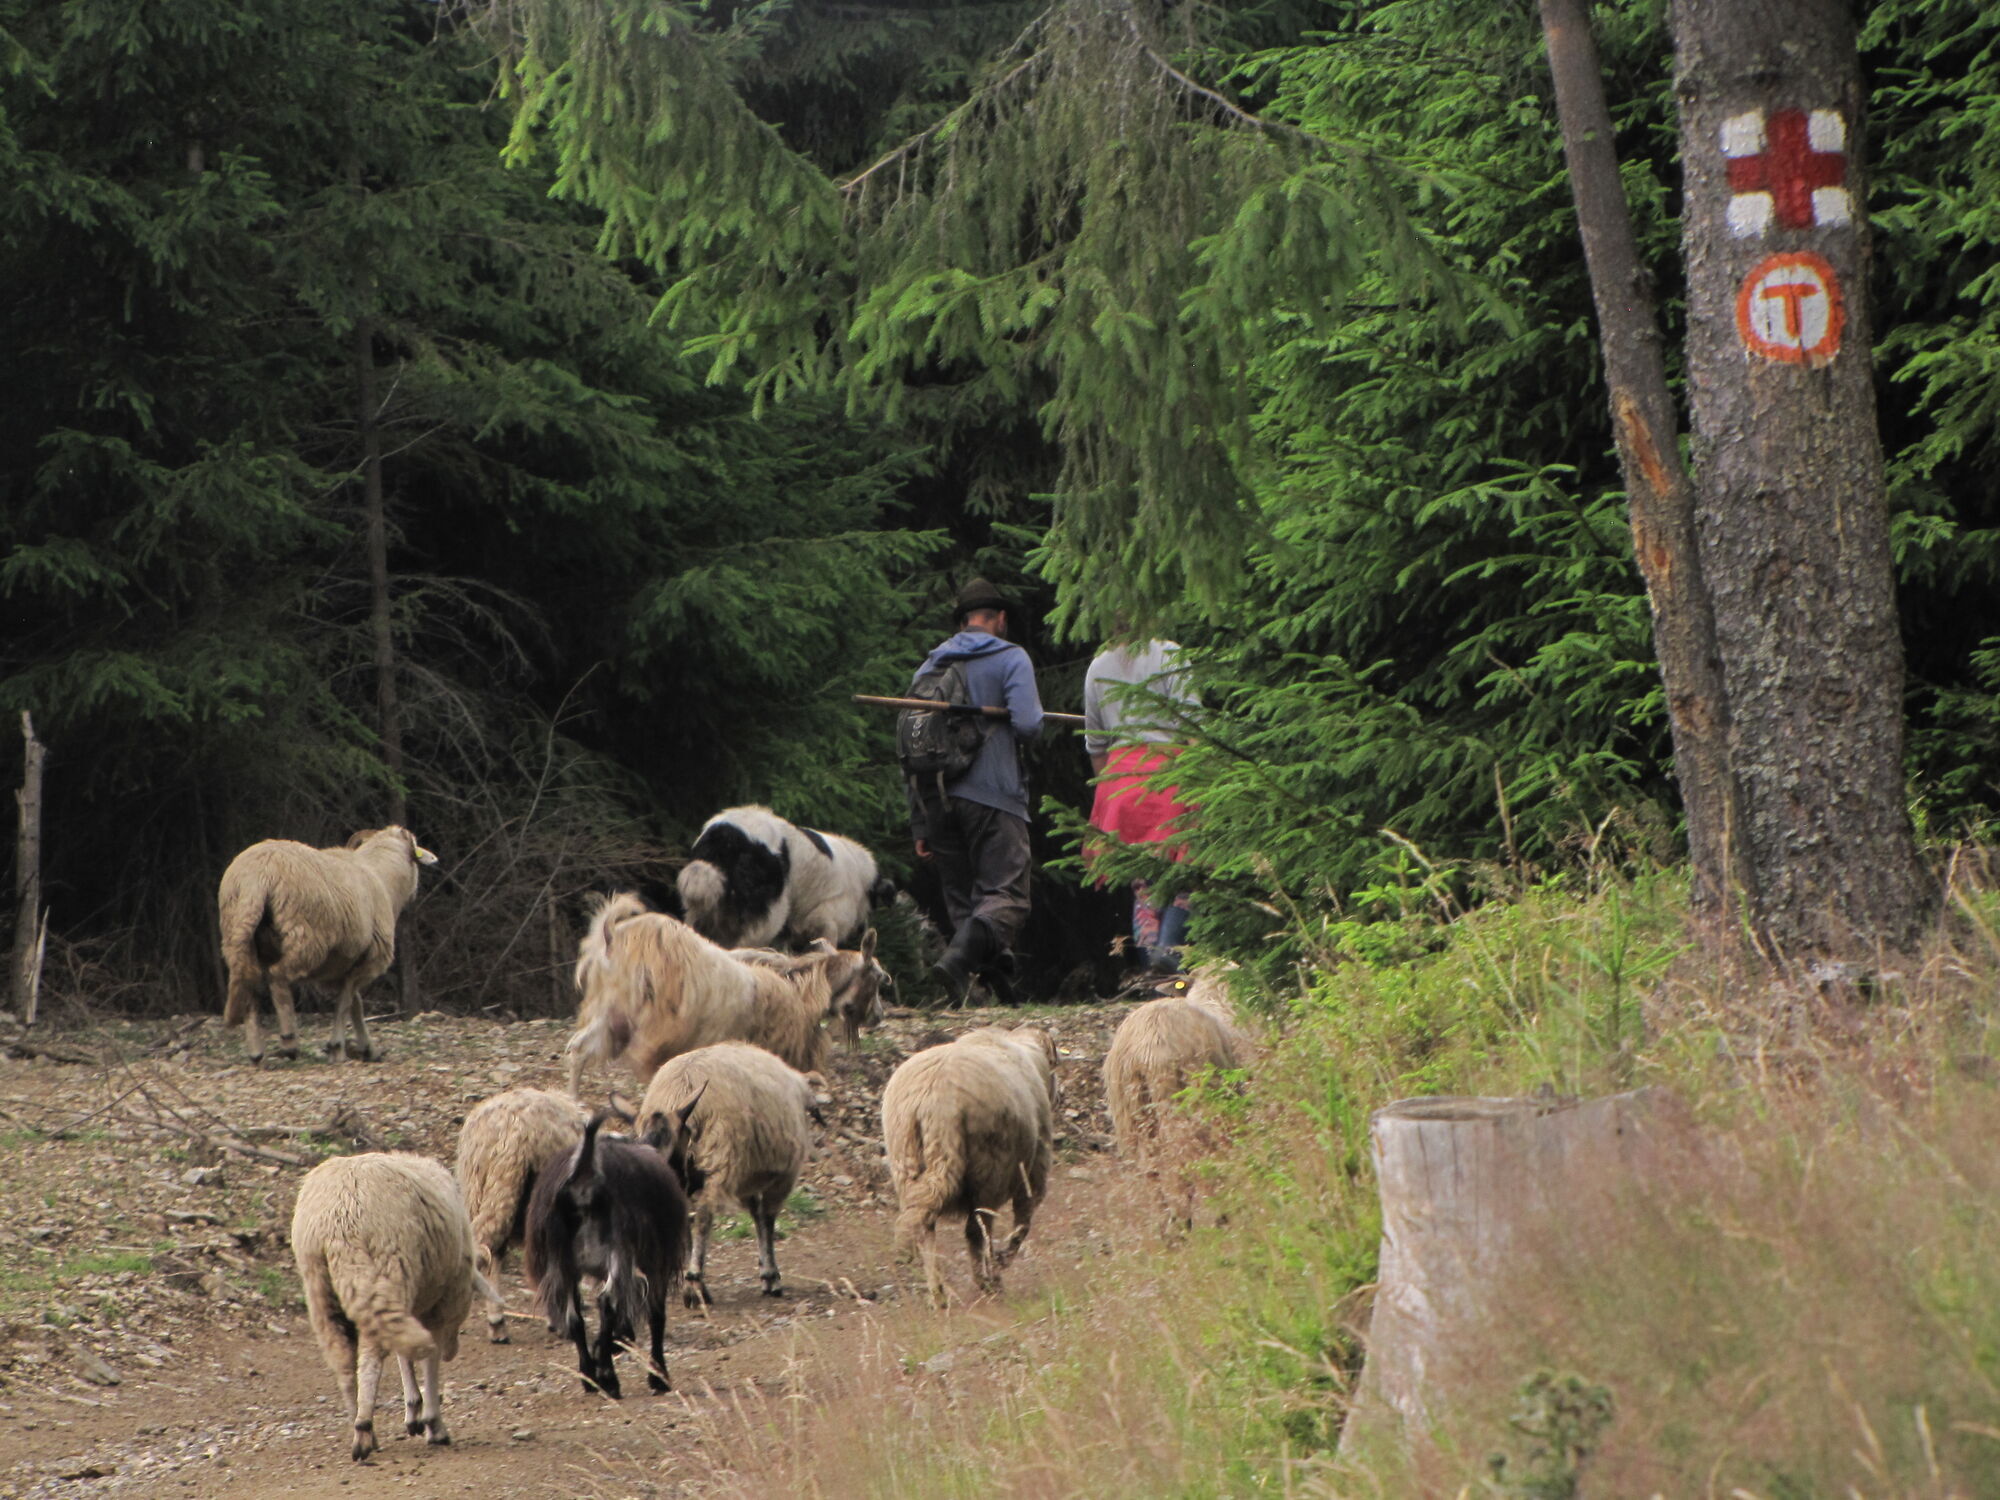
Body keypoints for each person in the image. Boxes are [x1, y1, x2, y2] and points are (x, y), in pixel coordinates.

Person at [907, 577, 1044, 1004]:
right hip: (994, 795)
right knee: (1006, 894)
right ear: (999, 618)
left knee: (966, 903)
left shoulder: (929, 668)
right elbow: (1029, 725)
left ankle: (987, 996)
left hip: (938, 800)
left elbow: (910, 747)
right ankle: (957, 962)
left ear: (963, 621)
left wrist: (920, 822)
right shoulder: (1011, 658)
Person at [1084, 635, 1198, 973]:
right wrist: (1201, 786)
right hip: (1169, 776)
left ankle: (1154, 976)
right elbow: (1193, 727)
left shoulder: (1098, 665)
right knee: (1189, 878)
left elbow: (1096, 747)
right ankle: (1168, 958)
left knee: (1145, 887)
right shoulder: (1170, 653)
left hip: (1121, 784)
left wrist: (1108, 799)